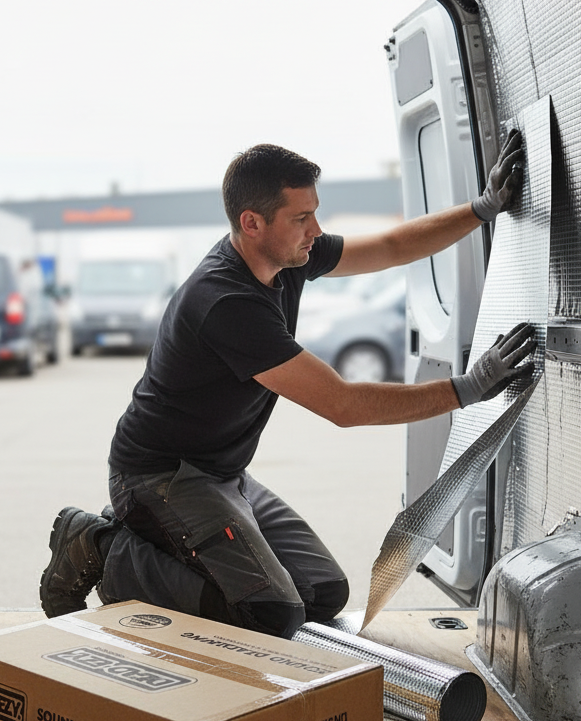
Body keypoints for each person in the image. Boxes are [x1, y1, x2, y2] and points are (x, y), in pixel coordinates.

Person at [39, 136, 534, 638]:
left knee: (322, 594)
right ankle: (102, 548)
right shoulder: (225, 303)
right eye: (301, 218)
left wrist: (482, 208)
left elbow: (389, 247)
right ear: (252, 223)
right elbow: (342, 404)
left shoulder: (285, 258)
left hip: (223, 474)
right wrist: (467, 388)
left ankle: (173, 548)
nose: (316, 230)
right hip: (159, 478)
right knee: (271, 615)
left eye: (314, 214)